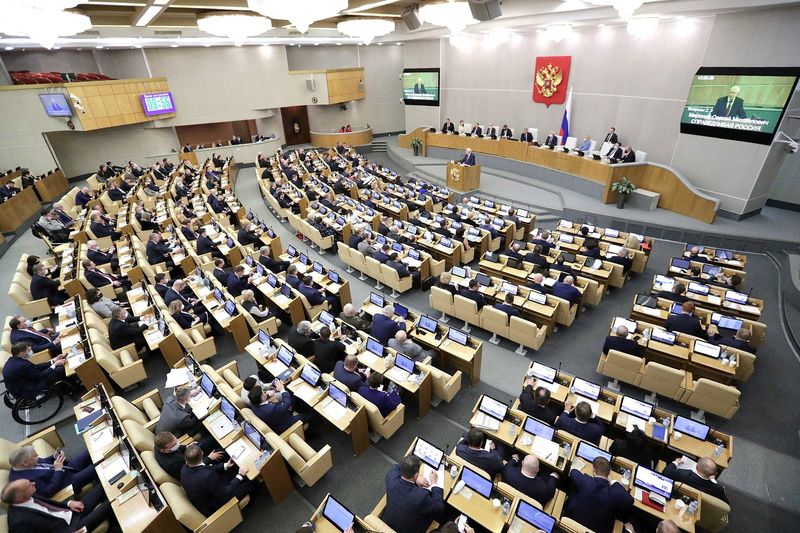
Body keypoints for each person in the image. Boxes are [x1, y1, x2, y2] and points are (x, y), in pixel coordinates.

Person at [1, 478, 112, 533]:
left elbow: (49, 503)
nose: (33, 483)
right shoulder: (18, 523)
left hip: (71, 511)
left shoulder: (28, 494)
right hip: (71, 529)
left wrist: (69, 503)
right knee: (110, 503)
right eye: (29, 485)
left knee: (103, 486)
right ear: (19, 498)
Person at [563, 456, 634, 533]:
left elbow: (573, 471)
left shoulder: (585, 481)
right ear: (609, 472)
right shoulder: (614, 493)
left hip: (569, 526)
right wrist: (613, 481)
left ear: (593, 470)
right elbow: (630, 500)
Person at [180, 445, 255, 517]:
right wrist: (240, 475)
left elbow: (204, 468)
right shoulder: (208, 476)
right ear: (202, 453)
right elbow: (225, 493)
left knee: (231, 470)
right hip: (214, 505)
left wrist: (226, 465)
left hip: (207, 494)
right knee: (249, 483)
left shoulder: (184, 468)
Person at [382, 455, 444, 533]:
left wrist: (416, 478)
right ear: (416, 475)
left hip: (387, 523)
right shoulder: (422, 496)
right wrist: (434, 484)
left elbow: (397, 466)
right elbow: (439, 510)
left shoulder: (390, 477)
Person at [8, 446, 96, 498]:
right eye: (35, 456)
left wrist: (54, 456)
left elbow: (44, 461)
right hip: (66, 484)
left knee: (90, 451)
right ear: (25, 462)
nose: (38, 457)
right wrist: (58, 470)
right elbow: (49, 491)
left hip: (66, 468)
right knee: (94, 469)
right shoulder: (26, 482)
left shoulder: (24, 463)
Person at [662, 456, 729, 503]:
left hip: (676, 498)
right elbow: (725, 504)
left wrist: (675, 462)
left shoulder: (684, 474)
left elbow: (666, 473)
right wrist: (714, 481)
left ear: (696, 467)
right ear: (714, 474)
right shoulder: (719, 489)